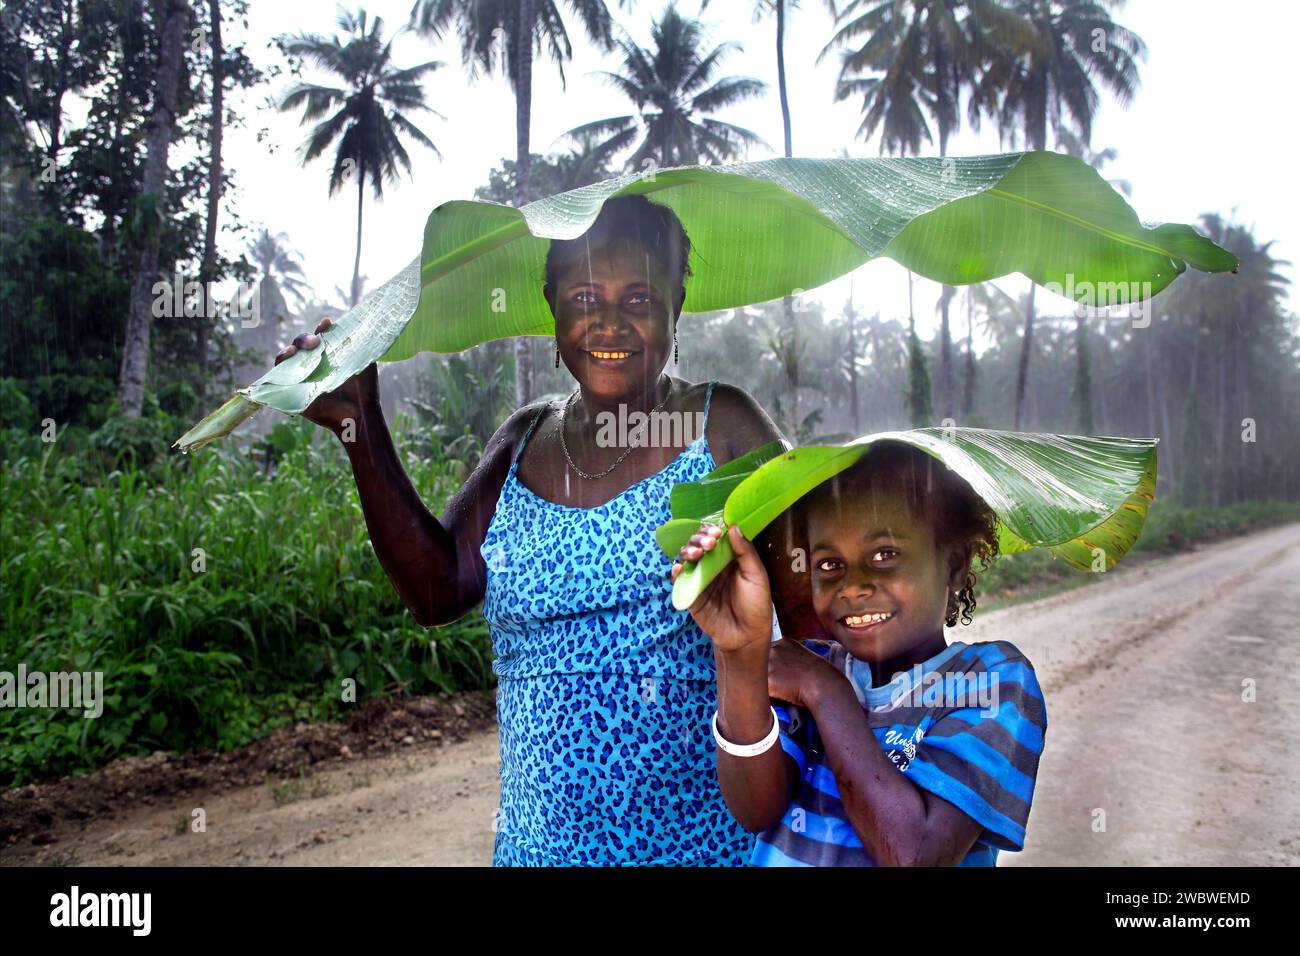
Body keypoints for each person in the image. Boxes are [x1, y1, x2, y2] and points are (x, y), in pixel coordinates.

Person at [273, 194, 804, 865]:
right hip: (538, 848)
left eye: (639, 298)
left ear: (677, 304)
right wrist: (361, 427)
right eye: (585, 296)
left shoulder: (722, 426)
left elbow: (814, 617)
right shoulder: (523, 439)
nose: (609, 323)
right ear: (553, 304)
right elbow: (439, 592)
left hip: (705, 848)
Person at [672, 440, 1047, 866]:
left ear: (955, 564)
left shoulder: (991, 682)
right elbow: (754, 808)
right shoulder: (811, 664)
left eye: (885, 554)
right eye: (829, 564)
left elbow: (915, 855)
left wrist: (827, 693)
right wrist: (737, 653)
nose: (852, 586)